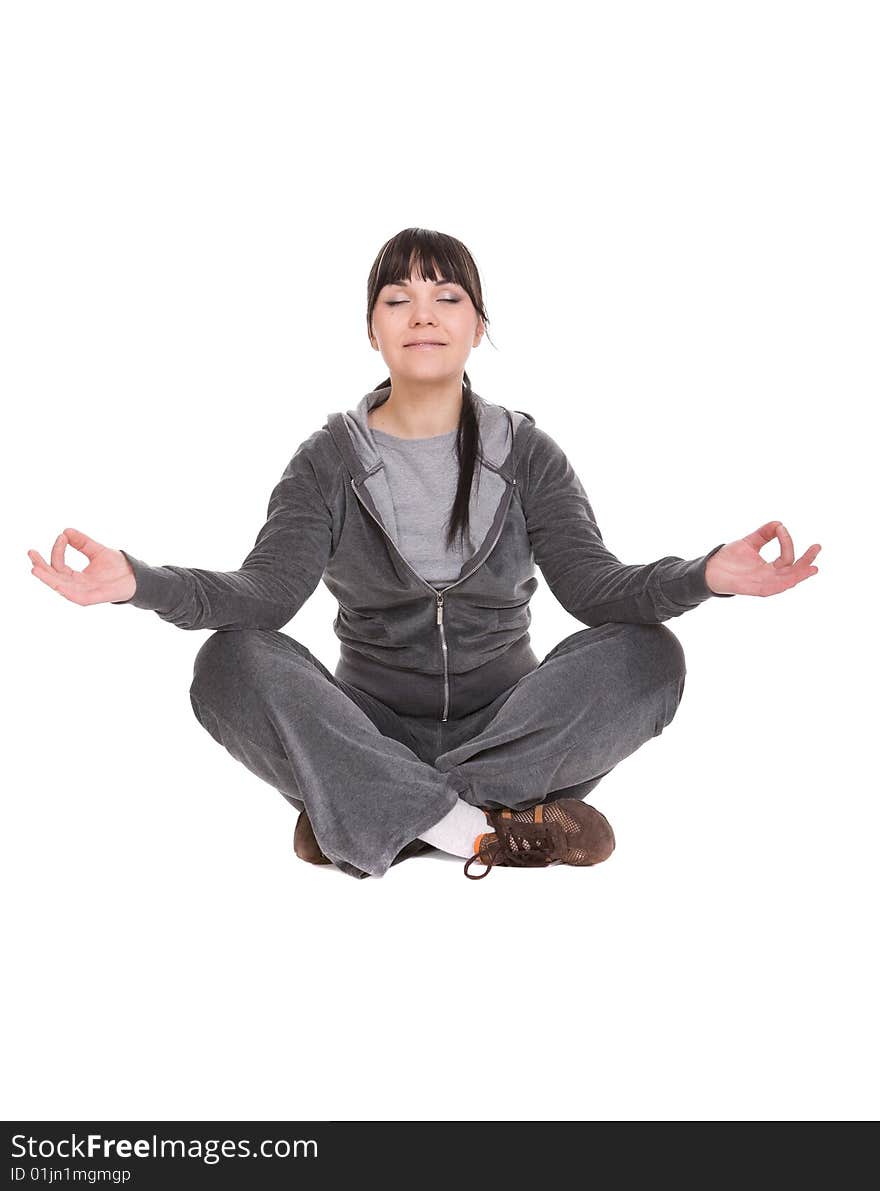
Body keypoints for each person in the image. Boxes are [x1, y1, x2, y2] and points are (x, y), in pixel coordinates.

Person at [27, 227, 822, 881]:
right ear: (371, 329)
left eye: (447, 296)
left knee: (650, 656)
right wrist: (137, 581)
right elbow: (263, 598)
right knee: (229, 664)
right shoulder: (328, 460)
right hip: (364, 727)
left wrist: (707, 574)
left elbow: (597, 589)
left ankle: (384, 818)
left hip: (511, 730)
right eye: (398, 298)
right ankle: (490, 829)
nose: (423, 313)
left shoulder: (528, 454)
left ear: (479, 325)